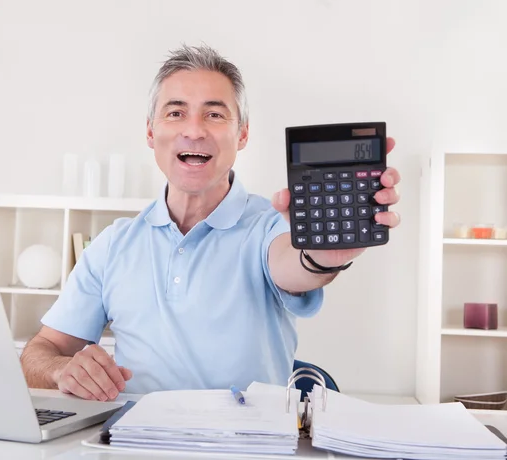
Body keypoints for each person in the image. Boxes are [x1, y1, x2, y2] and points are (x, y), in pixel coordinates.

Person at [20, 44, 401, 402]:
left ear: (243, 134)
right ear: (151, 132)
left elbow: (293, 263)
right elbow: (40, 352)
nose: (195, 129)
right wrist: (60, 370)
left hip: (247, 447)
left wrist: (321, 255)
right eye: (175, 112)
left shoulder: (270, 226)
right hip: (134, 445)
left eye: (215, 114)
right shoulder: (112, 244)